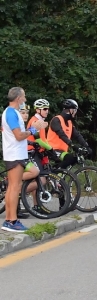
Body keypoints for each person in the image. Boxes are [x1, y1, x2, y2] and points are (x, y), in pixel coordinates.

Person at [2, 88, 44, 232]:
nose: (25, 99)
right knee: (15, 187)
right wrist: (33, 129)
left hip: (14, 154)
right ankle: (12, 221)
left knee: (12, 187)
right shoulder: (12, 113)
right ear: (19, 98)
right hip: (15, 154)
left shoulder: (10, 112)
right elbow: (19, 136)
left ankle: (9, 219)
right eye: (24, 97)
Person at [46, 99, 91, 169]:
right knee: (69, 158)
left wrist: (86, 146)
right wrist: (72, 145)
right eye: (74, 110)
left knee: (74, 159)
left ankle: (56, 175)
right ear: (69, 110)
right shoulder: (56, 120)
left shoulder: (69, 122)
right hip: (52, 150)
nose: (75, 113)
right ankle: (56, 177)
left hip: (62, 151)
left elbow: (77, 135)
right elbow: (61, 134)